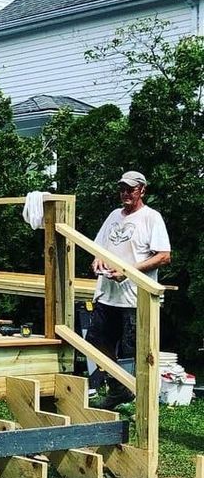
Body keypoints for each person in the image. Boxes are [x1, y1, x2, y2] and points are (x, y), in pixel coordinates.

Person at [87, 170, 171, 409]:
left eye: (131, 189)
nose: (125, 193)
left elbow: (164, 256)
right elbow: (97, 247)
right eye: (122, 188)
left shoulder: (151, 217)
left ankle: (143, 400)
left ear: (142, 191)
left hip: (135, 297)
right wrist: (97, 260)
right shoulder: (114, 215)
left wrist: (129, 270)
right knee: (96, 340)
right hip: (107, 293)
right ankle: (119, 388)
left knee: (132, 350)